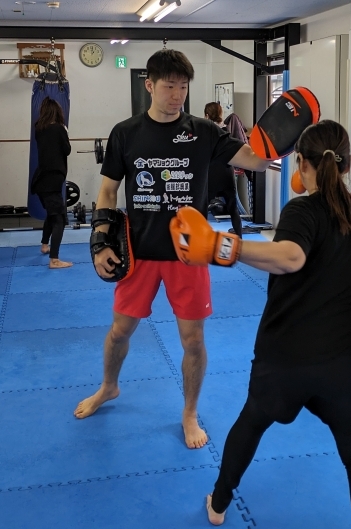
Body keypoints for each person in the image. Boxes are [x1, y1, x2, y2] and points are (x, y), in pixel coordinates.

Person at [73, 49, 270, 449]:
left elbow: (256, 162)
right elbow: (108, 191)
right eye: (169, 86)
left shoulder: (205, 131)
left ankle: (189, 413)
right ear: (150, 85)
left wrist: (279, 138)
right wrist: (100, 242)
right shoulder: (125, 133)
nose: (177, 95)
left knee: (193, 341)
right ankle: (109, 386)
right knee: (119, 331)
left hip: (189, 253)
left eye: (183, 87)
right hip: (139, 251)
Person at [196, 120, 351, 529]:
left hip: (289, 356)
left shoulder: (301, 210)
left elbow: (291, 257)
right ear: (348, 164)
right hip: (350, 360)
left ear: (301, 163)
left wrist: (222, 246)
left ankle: (219, 502)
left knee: (252, 422)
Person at [32, 97, 72, 268]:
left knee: (52, 214)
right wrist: (65, 132)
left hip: (40, 180)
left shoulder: (39, 129)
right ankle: (54, 260)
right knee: (60, 219)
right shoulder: (59, 129)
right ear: (57, 112)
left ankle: (44, 245)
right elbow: (67, 150)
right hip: (52, 181)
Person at [204, 102, 242, 237]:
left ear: (207, 115)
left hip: (212, 173)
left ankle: (201, 239)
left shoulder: (206, 132)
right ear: (221, 113)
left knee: (202, 209)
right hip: (227, 173)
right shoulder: (228, 131)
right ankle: (240, 240)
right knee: (233, 209)